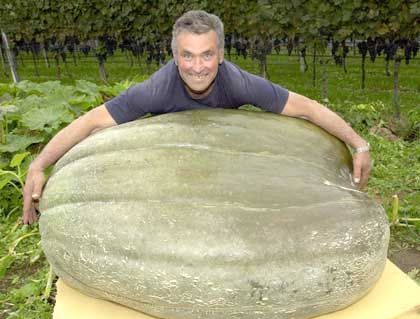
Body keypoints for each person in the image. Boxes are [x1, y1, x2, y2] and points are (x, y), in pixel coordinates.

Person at [22, 10, 372, 225]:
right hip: (172, 162)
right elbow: (91, 121)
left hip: (226, 157)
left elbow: (307, 107)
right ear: (174, 56)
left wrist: (358, 145)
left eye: (207, 55)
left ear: (220, 55)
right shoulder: (156, 90)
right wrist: (39, 166)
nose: (197, 67)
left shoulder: (237, 81)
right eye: (187, 56)